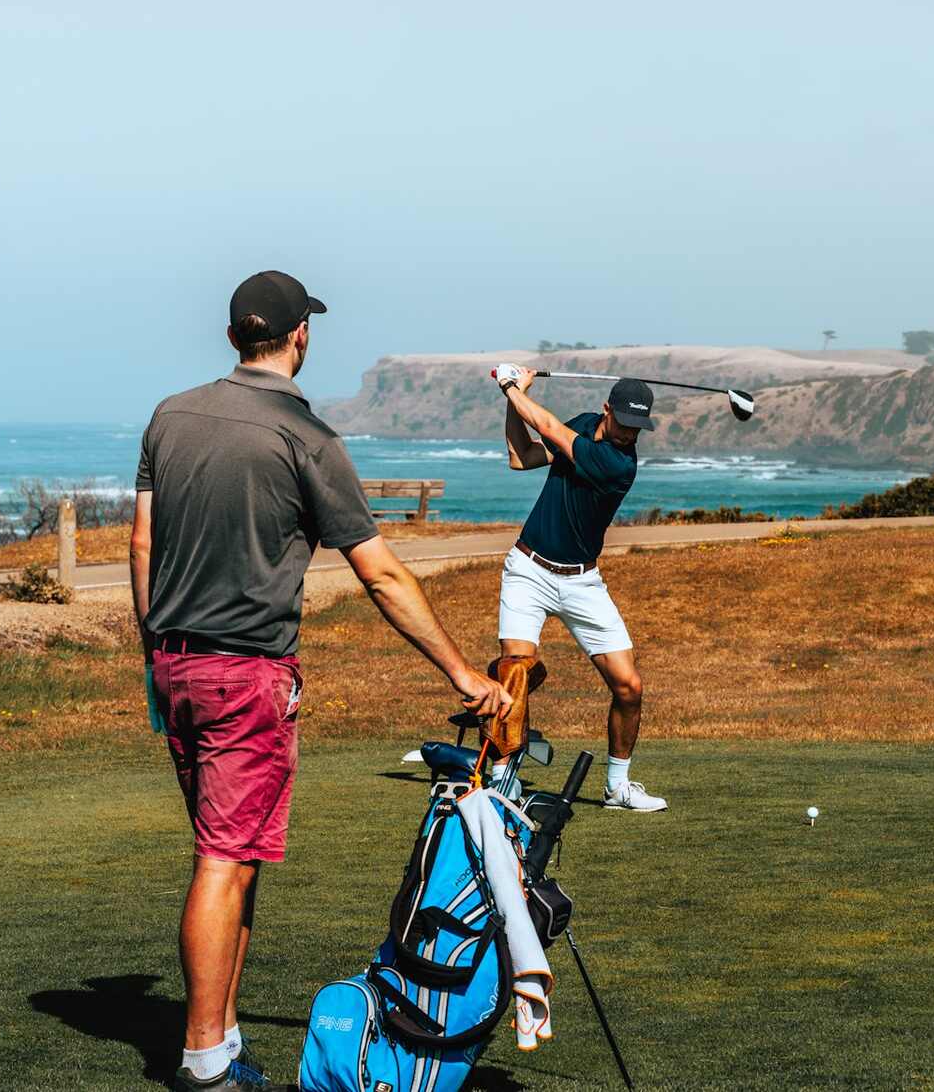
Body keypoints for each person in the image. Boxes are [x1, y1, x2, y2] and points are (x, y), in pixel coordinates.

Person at [132, 270, 509, 1092]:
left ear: (237, 336)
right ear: (301, 335)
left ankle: (222, 1038)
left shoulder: (171, 416)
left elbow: (141, 544)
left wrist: (154, 654)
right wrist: (460, 672)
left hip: (177, 664)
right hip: (246, 674)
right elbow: (381, 577)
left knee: (235, 857)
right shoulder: (306, 438)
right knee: (225, 860)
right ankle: (202, 1062)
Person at [492, 363, 667, 812]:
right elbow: (522, 456)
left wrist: (512, 386)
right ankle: (501, 780)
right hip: (528, 570)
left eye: (638, 428)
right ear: (606, 410)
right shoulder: (586, 426)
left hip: (583, 582)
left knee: (629, 687)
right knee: (515, 671)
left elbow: (547, 424)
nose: (630, 435)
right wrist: (510, 403)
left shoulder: (618, 465)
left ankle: (618, 787)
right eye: (625, 424)